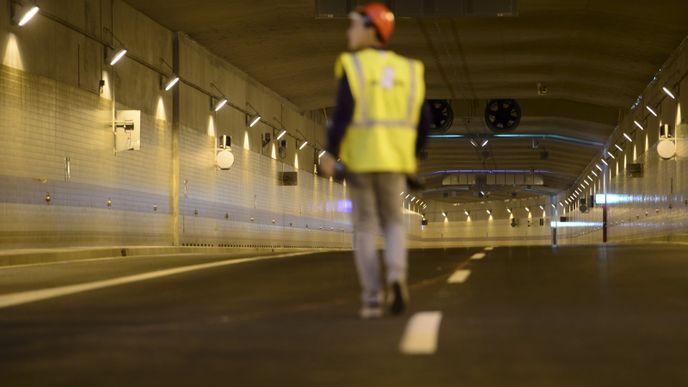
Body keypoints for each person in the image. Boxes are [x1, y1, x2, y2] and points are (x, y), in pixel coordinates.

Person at [319, 2, 431, 319]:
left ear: (372, 30)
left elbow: (341, 115)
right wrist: (413, 155)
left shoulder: (353, 68)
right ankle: (397, 276)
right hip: (394, 161)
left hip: (360, 162)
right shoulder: (410, 70)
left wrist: (330, 152)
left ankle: (371, 296)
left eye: (353, 25)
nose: (348, 32)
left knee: (365, 228)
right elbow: (425, 120)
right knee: (394, 223)